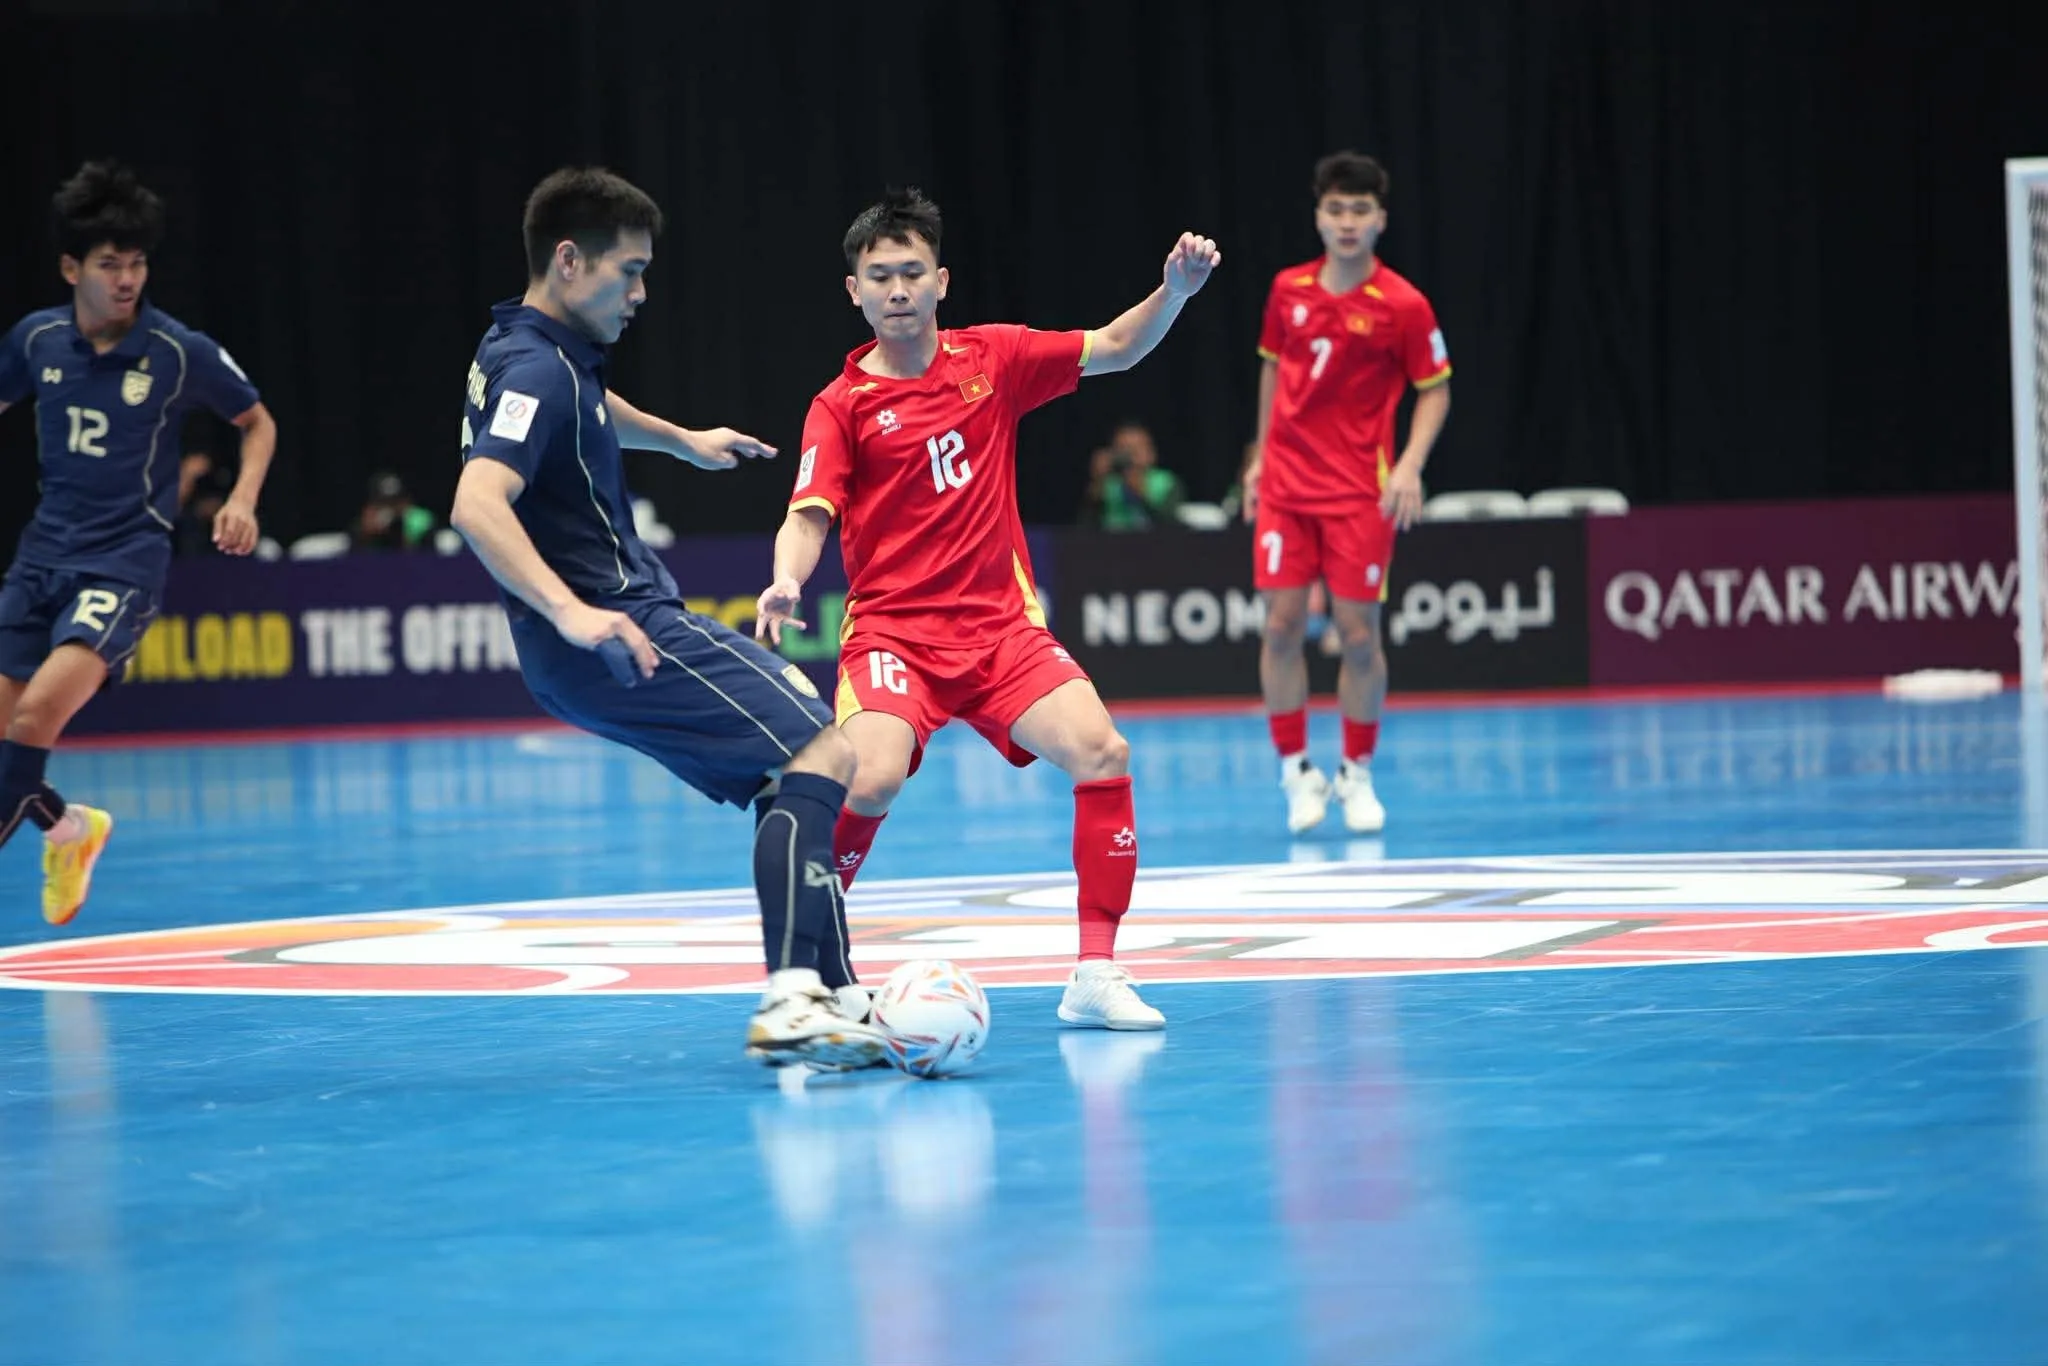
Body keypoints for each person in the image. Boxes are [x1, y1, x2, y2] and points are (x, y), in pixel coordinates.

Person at [756, 187, 1220, 1030]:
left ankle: (1095, 974)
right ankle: (811, 961)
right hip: (894, 635)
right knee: (871, 777)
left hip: (1002, 631)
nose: (898, 289)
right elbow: (808, 515)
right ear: (854, 292)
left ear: (941, 281)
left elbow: (1117, 347)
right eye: (879, 276)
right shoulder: (840, 406)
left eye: (912, 273)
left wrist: (1175, 293)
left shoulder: (993, 358)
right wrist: (787, 579)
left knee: (1103, 752)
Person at [451, 166, 883, 1070]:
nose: (642, 294)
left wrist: (681, 441)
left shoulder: (525, 347)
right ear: (570, 261)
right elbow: (477, 503)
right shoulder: (536, 368)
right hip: (619, 628)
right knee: (824, 749)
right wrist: (575, 614)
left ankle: (835, 994)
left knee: (789, 774)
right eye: (630, 272)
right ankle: (795, 998)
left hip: (590, 646)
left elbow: (586, 408)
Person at [0, 160, 277, 924]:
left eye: (137, 263)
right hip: (40, 558)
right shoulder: (37, 340)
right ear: (71, 269)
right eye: (109, 265)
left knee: (33, 721)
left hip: (121, 564)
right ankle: (70, 830)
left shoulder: (176, 351)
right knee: (7, 747)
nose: (126, 280)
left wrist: (243, 500)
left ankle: (67, 831)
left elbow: (256, 421)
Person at [1242, 151, 1451, 835]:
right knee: (1281, 626)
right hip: (1286, 487)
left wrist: (1411, 465)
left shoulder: (1404, 304)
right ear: (1319, 218)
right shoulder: (1287, 290)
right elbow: (1273, 373)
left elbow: (1436, 390)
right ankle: (1296, 772)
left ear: (1380, 220)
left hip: (1362, 491)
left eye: (1360, 210)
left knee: (1359, 636)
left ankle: (1356, 773)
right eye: (1336, 210)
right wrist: (1259, 457)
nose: (1348, 222)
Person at [1079, 421, 1186, 531]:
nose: (1130, 457)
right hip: (1112, 540)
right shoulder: (1107, 484)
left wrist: (1140, 493)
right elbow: (1083, 528)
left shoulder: (1167, 482)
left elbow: (1172, 526)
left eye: (1136, 450)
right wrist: (1096, 484)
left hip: (1155, 540)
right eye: (1123, 449)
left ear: (1151, 454)